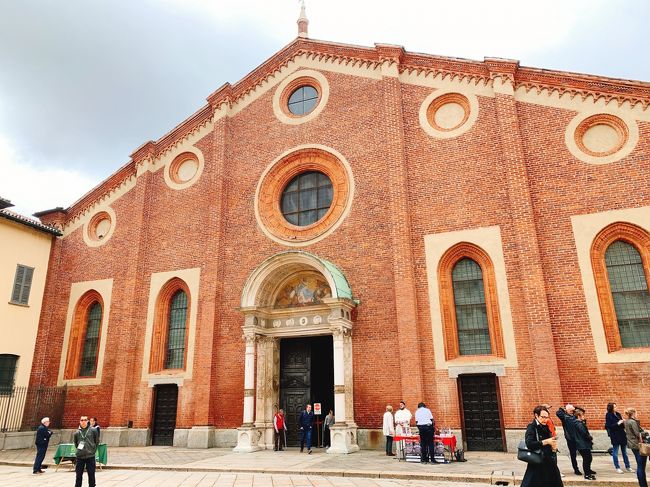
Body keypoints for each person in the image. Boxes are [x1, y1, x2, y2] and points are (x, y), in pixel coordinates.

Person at [521, 405, 564, 487]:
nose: (545, 419)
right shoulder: (532, 427)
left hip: (549, 460)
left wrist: (554, 447)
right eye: (543, 417)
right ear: (536, 415)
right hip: (538, 461)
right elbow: (529, 444)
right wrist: (546, 441)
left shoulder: (546, 426)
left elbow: (549, 441)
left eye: (547, 417)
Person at [624, 407, 648, 487]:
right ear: (633, 413)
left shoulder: (626, 421)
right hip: (638, 445)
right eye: (636, 413)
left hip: (632, 445)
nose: (637, 414)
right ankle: (643, 485)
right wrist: (645, 433)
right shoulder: (633, 422)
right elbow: (638, 434)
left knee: (639, 466)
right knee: (641, 467)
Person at [606, 402, 632, 473]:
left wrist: (623, 422)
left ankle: (628, 466)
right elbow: (609, 426)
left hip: (622, 434)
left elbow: (622, 426)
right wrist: (618, 423)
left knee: (624, 452)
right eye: (614, 407)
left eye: (616, 406)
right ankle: (617, 467)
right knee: (615, 452)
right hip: (614, 435)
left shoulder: (618, 414)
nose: (616, 408)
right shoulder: (608, 415)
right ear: (611, 408)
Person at [74, 415, 99, 487]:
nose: (83, 422)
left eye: (85, 420)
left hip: (90, 456)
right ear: (80, 421)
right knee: (78, 475)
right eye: (81, 420)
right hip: (80, 457)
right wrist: (79, 451)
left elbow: (96, 441)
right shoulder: (77, 433)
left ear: (88, 421)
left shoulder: (93, 430)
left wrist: (92, 450)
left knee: (91, 474)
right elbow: (76, 444)